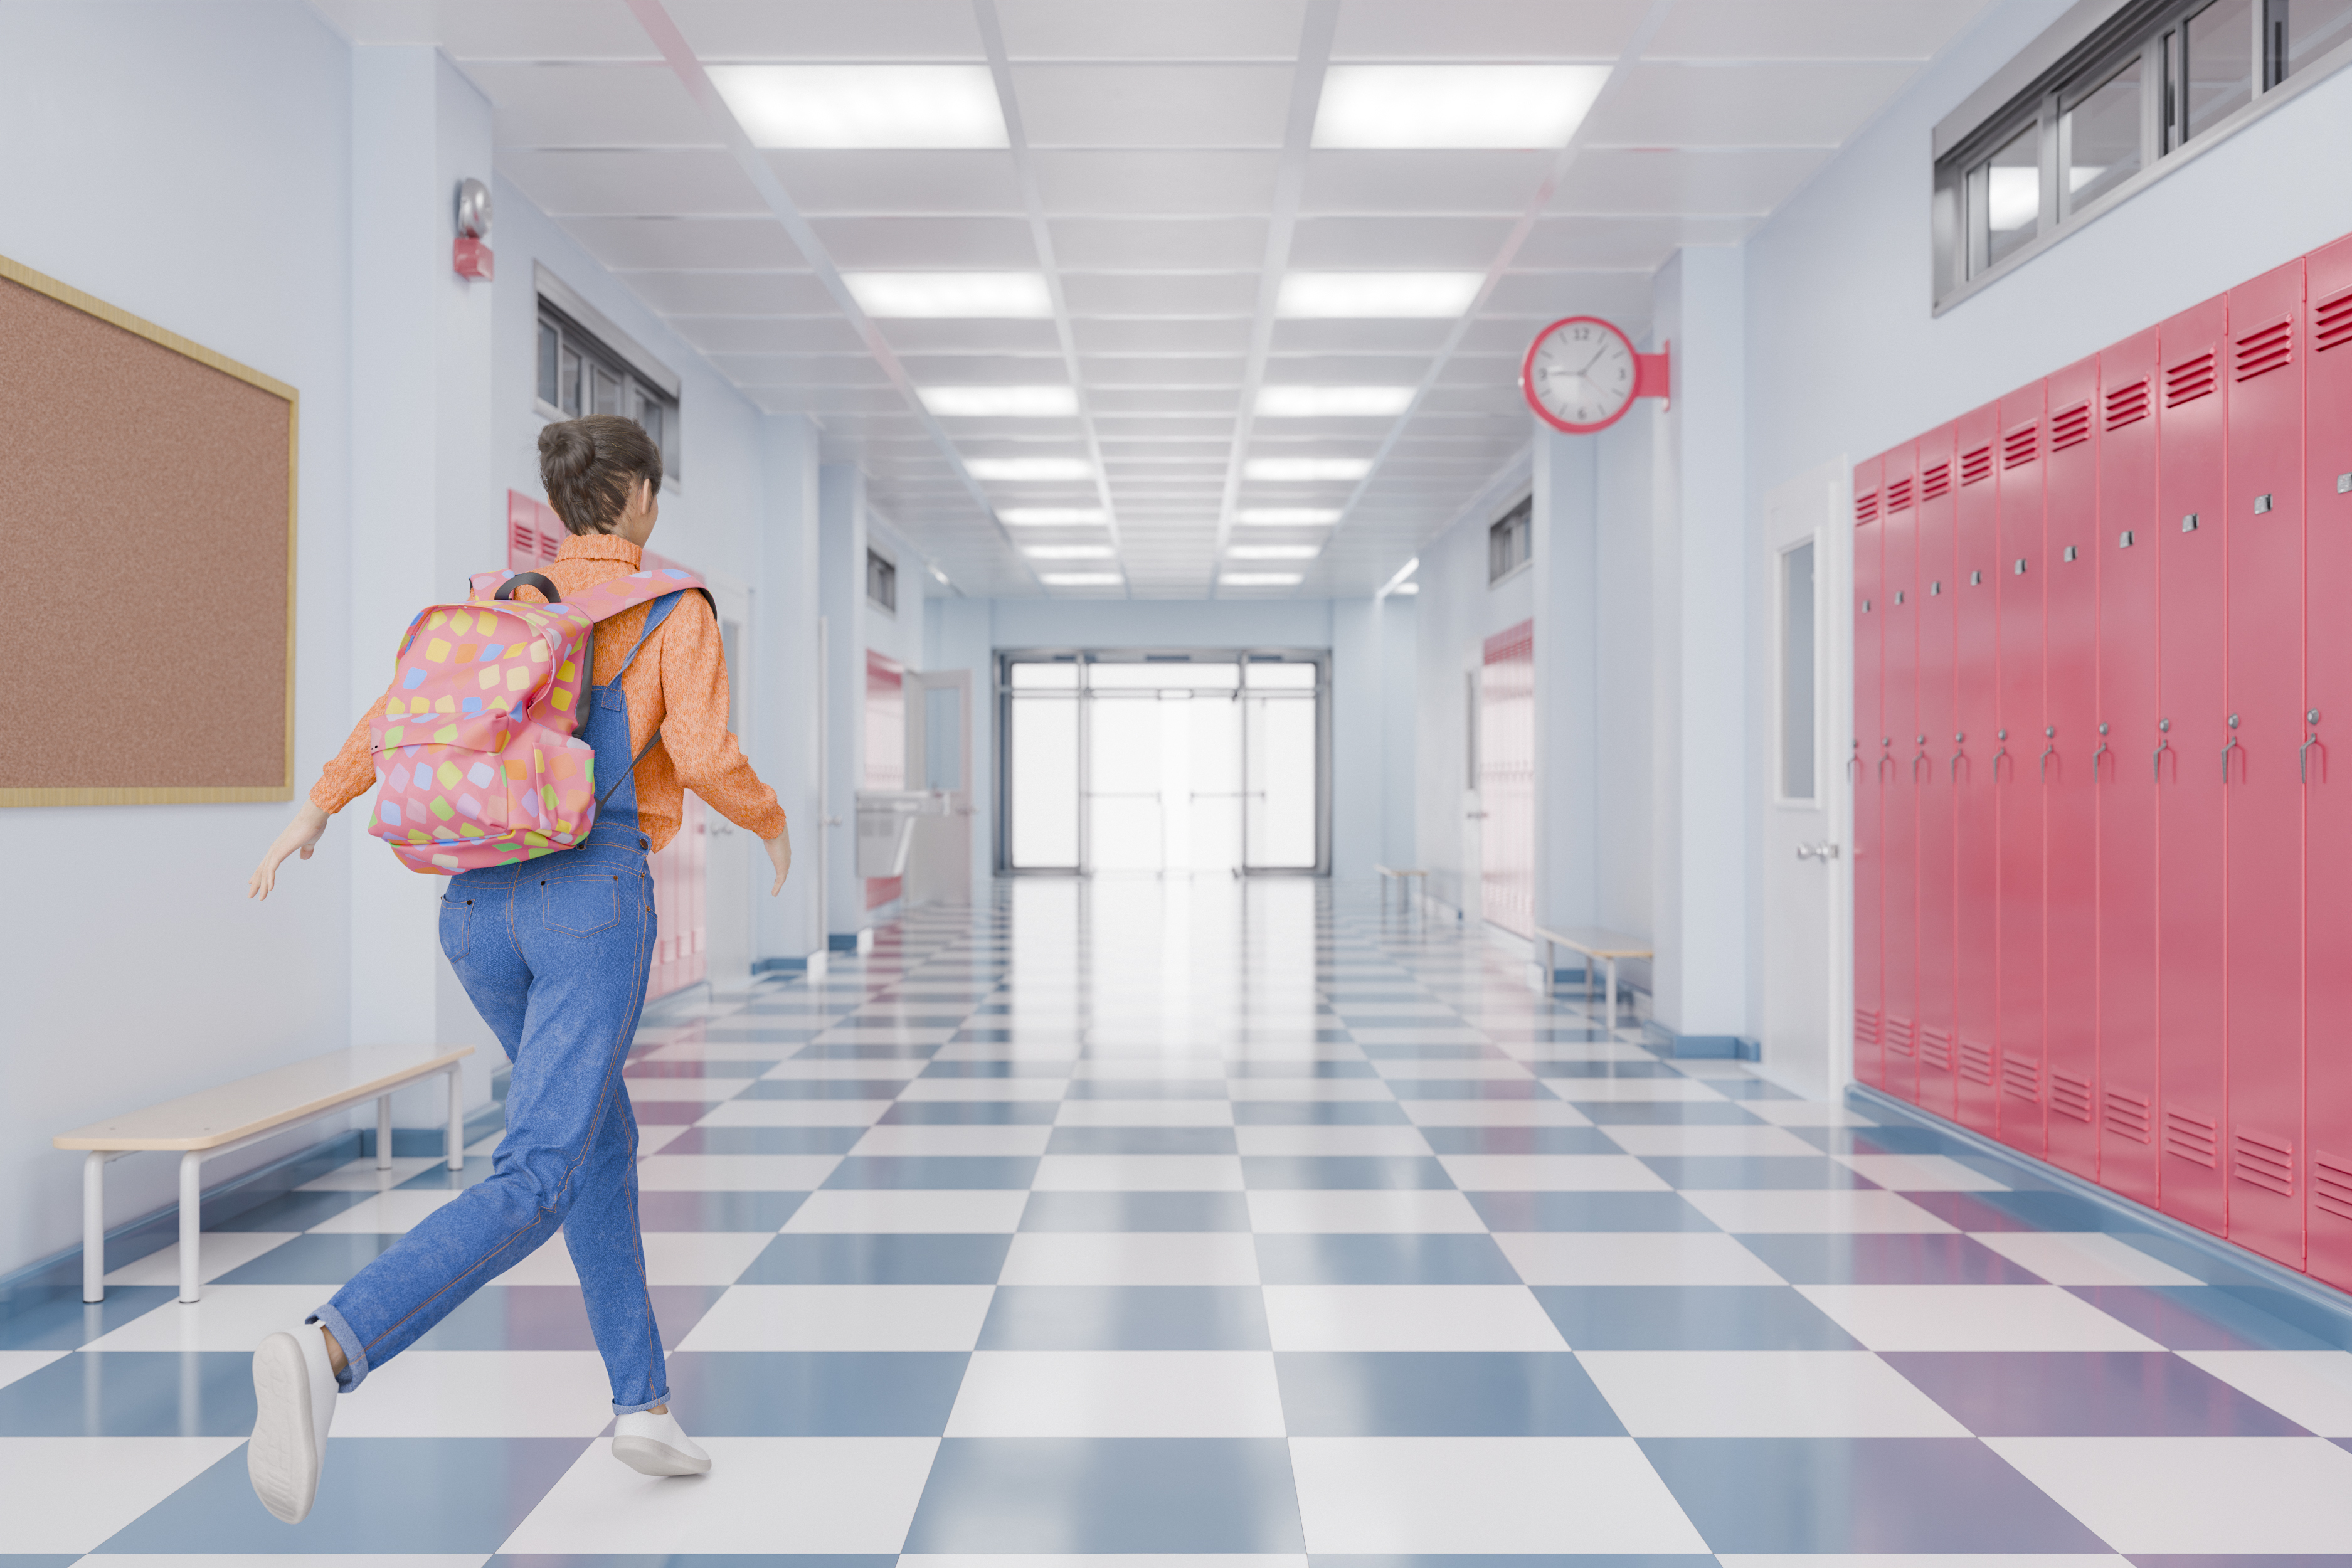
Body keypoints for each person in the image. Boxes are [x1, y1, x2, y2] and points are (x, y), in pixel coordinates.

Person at [241, 415, 792, 1523]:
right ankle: (330, 1348)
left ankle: (642, 1406)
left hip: (475, 909)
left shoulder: (501, 607)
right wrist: (772, 825)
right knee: (541, 1169)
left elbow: (399, 719)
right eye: (653, 488)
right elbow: (702, 754)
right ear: (636, 495)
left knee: (601, 1139)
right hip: (587, 904)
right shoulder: (671, 610)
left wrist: (315, 807)